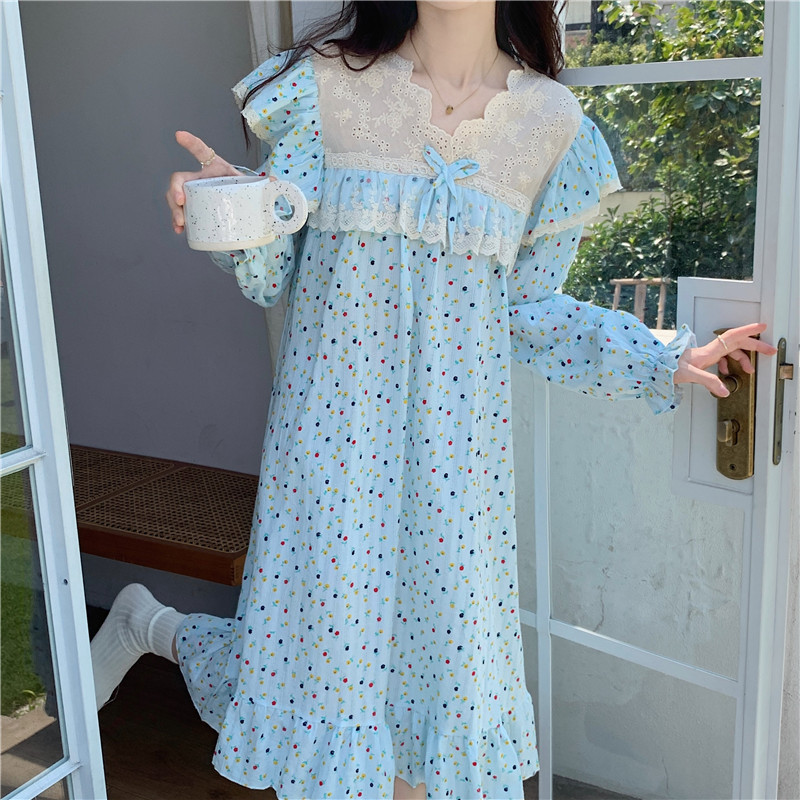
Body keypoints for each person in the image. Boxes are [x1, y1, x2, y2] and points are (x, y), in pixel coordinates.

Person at [91, 2, 777, 799]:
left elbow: (528, 308)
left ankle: (152, 624)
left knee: (430, 722)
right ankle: (158, 627)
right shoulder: (323, 88)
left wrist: (660, 357)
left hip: (457, 478)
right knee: (314, 676)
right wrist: (232, 208)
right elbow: (273, 275)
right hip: (335, 458)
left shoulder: (551, 126)